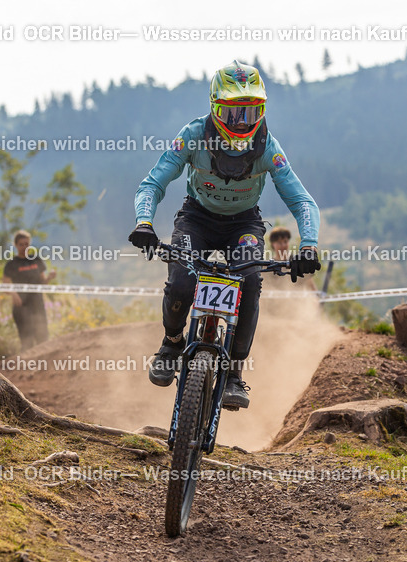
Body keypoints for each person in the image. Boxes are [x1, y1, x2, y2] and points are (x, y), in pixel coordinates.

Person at [129, 59, 322, 409]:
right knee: (182, 281)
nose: (243, 122)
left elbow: (302, 200)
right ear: (215, 108)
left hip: (243, 224)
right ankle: (171, 343)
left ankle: (234, 372)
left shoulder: (267, 147)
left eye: (252, 112)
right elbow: (152, 183)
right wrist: (144, 223)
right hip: (196, 218)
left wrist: (308, 246)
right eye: (234, 113)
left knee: (250, 281)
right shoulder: (192, 135)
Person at [3, 230, 55, 351]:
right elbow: (5, 286)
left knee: (43, 339)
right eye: (21, 244)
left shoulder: (36, 260)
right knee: (27, 342)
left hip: (37, 305)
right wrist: (13, 294)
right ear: (16, 245)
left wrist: (49, 278)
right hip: (21, 307)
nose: (24, 247)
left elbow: (42, 283)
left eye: (26, 244)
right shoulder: (11, 264)